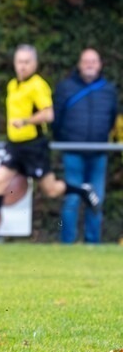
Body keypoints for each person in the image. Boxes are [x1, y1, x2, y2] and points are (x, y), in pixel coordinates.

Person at [0, 45, 100, 242]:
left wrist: (25, 121)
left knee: (51, 190)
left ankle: (82, 190)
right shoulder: (13, 85)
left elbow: (49, 114)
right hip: (15, 146)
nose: (22, 66)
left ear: (34, 64)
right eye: (19, 62)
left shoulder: (38, 85)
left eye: (26, 62)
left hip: (34, 146)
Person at [52, 48, 116, 244]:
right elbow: (57, 119)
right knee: (72, 200)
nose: (89, 65)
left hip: (98, 153)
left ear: (100, 65)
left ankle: (92, 243)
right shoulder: (66, 88)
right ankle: (68, 243)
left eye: (93, 61)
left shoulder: (108, 90)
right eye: (86, 61)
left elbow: (112, 118)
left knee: (96, 199)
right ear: (79, 65)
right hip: (73, 153)